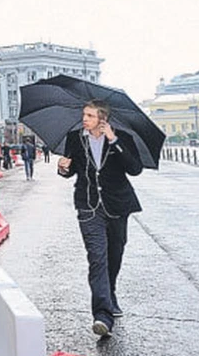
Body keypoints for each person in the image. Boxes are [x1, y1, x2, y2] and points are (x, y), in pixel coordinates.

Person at [57, 99, 143, 338]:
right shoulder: (75, 138)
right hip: (88, 206)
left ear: (103, 120)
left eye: (90, 116)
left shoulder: (121, 138)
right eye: (84, 114)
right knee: (97, 257)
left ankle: (110, 291)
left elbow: (135, 168)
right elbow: (71, 169)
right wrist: (63, 167)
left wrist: (113, 140)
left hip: (117, 206)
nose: (85, 119)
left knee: (115, 253)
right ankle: (102, 315)